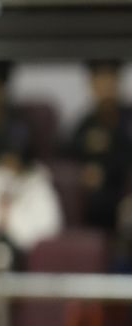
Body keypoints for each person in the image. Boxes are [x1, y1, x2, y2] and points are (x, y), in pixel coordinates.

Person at [67, 60, 132, 231]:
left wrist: (107, 173)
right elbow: (66, 151)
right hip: (96, 201)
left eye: (110, 81)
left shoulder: (127, 118)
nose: (106, 89)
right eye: (100, 82)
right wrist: (83, 172)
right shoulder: (86, 123)